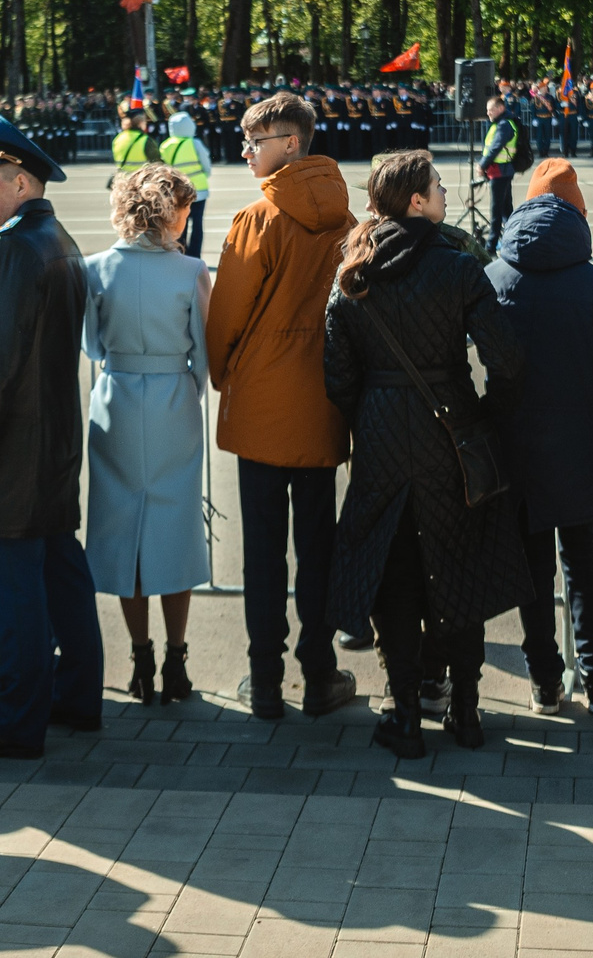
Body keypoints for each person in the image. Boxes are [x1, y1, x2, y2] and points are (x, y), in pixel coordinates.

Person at [324, 149, 530, 758]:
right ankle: (466, 711)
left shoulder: (353, 273)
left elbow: (336, 378)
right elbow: (508, 359)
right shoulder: (458, 267)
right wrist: (483, 414)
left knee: (394, 573)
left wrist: (370, 411)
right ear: (416, 200)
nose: (443, 192)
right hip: (451, 428)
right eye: (437, 186)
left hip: (382, 434)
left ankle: (405, 710)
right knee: (457, 564)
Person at [0, 112, 101, 760]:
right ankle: (77, 695)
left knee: (15, 590)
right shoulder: (57, 237)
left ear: (23, 182)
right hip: (54, 441)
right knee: (62, 574)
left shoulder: (13, 248)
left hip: (12, 450)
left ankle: (17, 719)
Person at [206, 90, 359, 720]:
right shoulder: (350, 223)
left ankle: (265, 680)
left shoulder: (257, 219)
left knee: (265, 551)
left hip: (265, 404)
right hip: (322, 401)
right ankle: (318, 672)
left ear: (291, 143)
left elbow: (226, 318)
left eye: (255, 142)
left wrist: (225, 375)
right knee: (317, 545)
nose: (245, 152)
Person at [485, 158, 593, 715]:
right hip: (580, 445)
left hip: (514, 446)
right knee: (583, 569)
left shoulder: (496, 276)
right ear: (578, 212)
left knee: (530, 570)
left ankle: (545, 680)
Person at [82, 164, 211, 705]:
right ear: (170, 212)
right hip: (172, 398)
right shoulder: (191, 271)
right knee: (174, 527)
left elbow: (91, 345)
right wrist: (187, 388)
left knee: (122, 530)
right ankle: (176, 660)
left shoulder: (95, 268)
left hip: (115, 397)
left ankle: (141, 658)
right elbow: (204, 353)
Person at [162, 104, 213, 258]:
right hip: (199, 190)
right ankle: (195, 255)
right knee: (197, 224)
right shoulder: (195, 143)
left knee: (179, 224)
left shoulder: (166, 145)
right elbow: (206, 165)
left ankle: (181, 252)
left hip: (176, 190)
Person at [478, 94, 519, 251]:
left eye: (491, 110)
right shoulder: (501, 123)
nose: (488, 113)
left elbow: (495, 147)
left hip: (500, 171)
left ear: (500, 109)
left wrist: (482, 165)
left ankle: (491, 245)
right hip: (501, 170)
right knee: (506, 209)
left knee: (497, 210)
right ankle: (513, 241)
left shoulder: (503, 125)